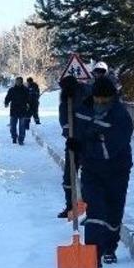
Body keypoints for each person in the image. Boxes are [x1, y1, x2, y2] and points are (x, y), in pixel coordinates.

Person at [66, 77, 133, 265]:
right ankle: (92, 256)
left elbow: (107, 150)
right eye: (97, 100)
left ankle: (110, 247)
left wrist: (81, 147)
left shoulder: (121, 117)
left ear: (112, 98)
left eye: (105, 102)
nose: (100, 105)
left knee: (113, 213)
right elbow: (71, 124)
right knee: (95, 211)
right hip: (92, 171)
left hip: (117, 171)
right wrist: (67, 96)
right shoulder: (83, 110)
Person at [57, 75, 87, 218]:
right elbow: (64, 119)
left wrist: (78, 137)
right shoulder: (65, 98)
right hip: (72, 141)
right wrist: (68, 134)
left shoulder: (85, 94)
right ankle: (70, 207)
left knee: (89, 175)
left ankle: (87, 207)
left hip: (87, 143)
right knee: (69, 176)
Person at [4, 77, 31, 145]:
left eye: (19, 81)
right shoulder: (12, 90)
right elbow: (8, 97)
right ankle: (14, 137)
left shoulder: (25, 90)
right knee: (13, 126)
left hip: (22, 110)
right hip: (14, 110)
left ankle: (21, 139)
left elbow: (29, 99)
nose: (18, 83)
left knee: (22, 126)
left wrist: (29, 104)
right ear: (15, 82)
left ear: (22, 82)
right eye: (17, 81)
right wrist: (6, 102)